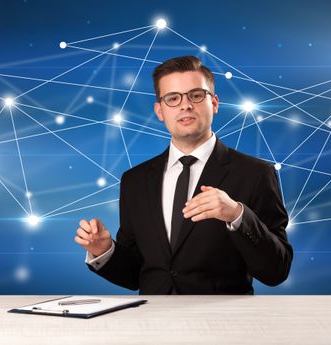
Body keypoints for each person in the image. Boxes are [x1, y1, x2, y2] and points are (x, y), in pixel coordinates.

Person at [74, 56, 293, 295]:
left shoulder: (255, 174)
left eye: (196, 95)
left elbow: (276, 271)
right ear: (160, 110)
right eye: (173, 98)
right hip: (152, 324)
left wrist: (237, 215)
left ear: (215, 103)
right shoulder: (134, 181)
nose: (185, 105)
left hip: (223, 325)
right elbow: (138, 274)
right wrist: (105, 250)